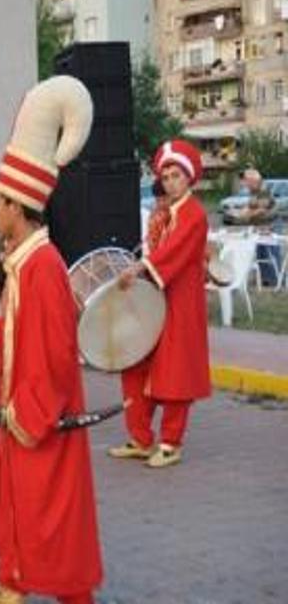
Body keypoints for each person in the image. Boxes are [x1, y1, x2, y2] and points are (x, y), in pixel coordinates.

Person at [0, 75, 102, 604]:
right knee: (19, 503)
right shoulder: (23, 264)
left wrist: (29, 412)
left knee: (54, 516)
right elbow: (13, 337)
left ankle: (70, 595)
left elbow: (56, 353)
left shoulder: (45, 269)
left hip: (40, 416)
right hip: (21, 412)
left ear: (17, 208)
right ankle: (11, 581)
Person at [110, 140, 210, 469]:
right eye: (165, 176)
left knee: (175, 372)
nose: (170, 181)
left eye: (176, 175)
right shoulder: (168, 214)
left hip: (181, 303)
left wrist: (139, 268)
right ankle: (140, 437)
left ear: (189, 177)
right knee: (136, 364)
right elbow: (157, 251)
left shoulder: (193, 214)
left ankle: (170, 442)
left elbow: (174, 253)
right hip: (159, 299)